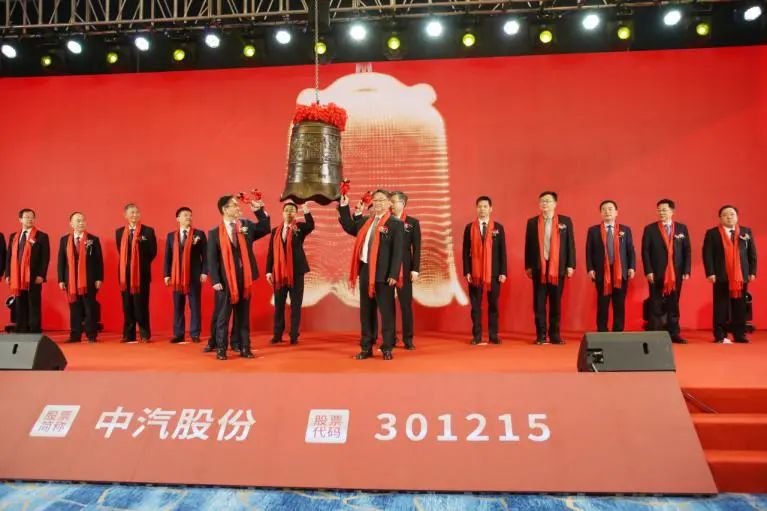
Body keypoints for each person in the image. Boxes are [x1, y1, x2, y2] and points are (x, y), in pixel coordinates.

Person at [339, 189, 404, 360]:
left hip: (384, 274)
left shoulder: (395, 224)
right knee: (366, 312)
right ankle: (366, 347)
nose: (378, 203)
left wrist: (394, 274)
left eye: (382, 200)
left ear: (389, 203)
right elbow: (349, 226)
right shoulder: (365, 222)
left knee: (387, 313)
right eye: (375, 200)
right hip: (366, 271)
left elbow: (398, 252)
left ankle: (387, 347)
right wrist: (344, 206)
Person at [208, 195, 271, 360]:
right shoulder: (214, 233)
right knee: (223, 317)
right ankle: (221, 349)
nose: (238, 207)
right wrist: (215, 280)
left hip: (245, 278)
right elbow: (211, 259)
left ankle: (245, 348)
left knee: (243, 316)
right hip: (225, 280)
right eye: (234, 205)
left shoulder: (246, 225)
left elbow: (265, 228)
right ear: (225, 209)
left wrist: (259, 211)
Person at [524, 192, 575, 344]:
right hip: (539, 268)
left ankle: (555, 335)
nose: (544, 204)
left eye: (547, 201)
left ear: (555, 204)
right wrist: (528, 266)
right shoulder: (532, 222)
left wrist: (571, 265)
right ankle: (541, 335)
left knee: (555, 303)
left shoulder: (565, 221)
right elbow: (528, 246)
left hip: (557, 268)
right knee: (539, 303)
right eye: (542, 201)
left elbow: (570, 244)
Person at [702, 205, 757, 343]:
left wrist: (752, 271)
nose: (729, 217)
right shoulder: (712, 233)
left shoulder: (745, 232)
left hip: (740, 275)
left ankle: (739, 334)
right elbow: (707, 254)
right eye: (725, 215)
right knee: (721, 305)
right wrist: (710, 272)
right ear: (720, 218)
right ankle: (720, 335)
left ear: (737, 217)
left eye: (732, 214)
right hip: (721, 274)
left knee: (740, 305)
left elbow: (752, 253)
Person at [641, 199, 691, 343]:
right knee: (655, 303)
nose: (661, 212)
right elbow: (645, 251)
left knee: (673, 303)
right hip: (656, 271)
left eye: (664, 210)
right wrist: (648, 270)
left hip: (676, 272)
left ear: (672, 211)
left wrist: (686, 269)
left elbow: (687, 250)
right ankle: (656, 333)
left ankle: (674, 333)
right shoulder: (650, 229)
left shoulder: (681, 228)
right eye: (659, 210)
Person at [266, 202, 314, 345]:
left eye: (292, 210)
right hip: (279, 273)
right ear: (282, 213)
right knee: (279, 305)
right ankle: (277, 334)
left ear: (296, 213)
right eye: (286, 210)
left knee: (295, 305)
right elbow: (271, 253)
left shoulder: (299, 228)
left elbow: (311, 225)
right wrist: (268, 271)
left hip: (296, 272)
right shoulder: (275, 231)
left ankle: (294, 335)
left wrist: (306, 209)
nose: (289, 213)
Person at [585, 200, 636, 332]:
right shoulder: (593, 231)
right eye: (604, 209)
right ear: (600, 213)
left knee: (619, 304)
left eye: (610, 209)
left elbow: (630, 250)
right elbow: (589, 251)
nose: (607, 211)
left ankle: (618, 331)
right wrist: (590, 268)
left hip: (621, 272)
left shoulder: (625, 230)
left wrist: (631, 267)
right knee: (603, 303)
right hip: (602, 272)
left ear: (616, 212)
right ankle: (602, 330)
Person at [462, 196, 507, 344]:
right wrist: (467, 271)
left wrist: (503, 272)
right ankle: (477, 336)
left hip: (494, 274)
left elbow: (502, 252)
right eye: (480, 206)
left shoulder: (498, 228)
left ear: (490, 209)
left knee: (493, 305)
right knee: (476, 307)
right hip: (475, 274)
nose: (482, 209)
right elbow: (465, 251)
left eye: (485, 206)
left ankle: (493, 335)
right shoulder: (469, 228)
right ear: (476, 208)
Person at [57, 212, 104, 342]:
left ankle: (91, 335)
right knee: (74, 308)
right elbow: (61, 261)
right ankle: (75, 335)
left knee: (90, 308)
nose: (81, 223)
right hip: (71, 280)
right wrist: (61, 279)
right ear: (71, 224)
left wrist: (99, 278)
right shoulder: (64, 240)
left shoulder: (93, 239)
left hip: (89, 279)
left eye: (83, 220)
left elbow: (98, 260)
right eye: (78, 220)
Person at [163, 207, 207, 343]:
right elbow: (167, 257)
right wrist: (167, 274)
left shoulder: (199, 234)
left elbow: (205, 255)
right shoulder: (171, 236)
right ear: (178, 219)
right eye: (185, 215)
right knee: (178, 306)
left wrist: (204, 272)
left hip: (194, 276)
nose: (188, 217)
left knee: (195, 306)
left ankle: (195, 333)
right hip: (177, 277)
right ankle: (178, 334)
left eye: (190, 215)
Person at [116, 203, 157, 342]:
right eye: (132, 212)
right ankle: (129, 334)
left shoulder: (148, 231)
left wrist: (139, 264)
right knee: (127, 305)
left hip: (141, 274)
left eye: (137, 212)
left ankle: (144, 333)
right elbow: (120, 251)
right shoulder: (119, 232)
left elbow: (153, 252)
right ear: (125, 215)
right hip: (124, 275)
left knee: (141, 304)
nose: (134, 215)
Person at [5, 208, 50, 333]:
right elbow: (9, 257)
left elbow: (45, 258)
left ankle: (34, 329)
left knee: (33, 302)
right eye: (26, 217)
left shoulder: (41, 236)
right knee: (20, 302)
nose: (30, 219)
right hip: (17, 276)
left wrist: (41, 274)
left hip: (34, 276)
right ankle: (22, 328)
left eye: (32, 217)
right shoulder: (14, 236)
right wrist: (8, 274)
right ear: (20, 219)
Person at [390, 191, 421, 350]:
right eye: (390, 201)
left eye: (394, 201)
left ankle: (408, 339)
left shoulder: (412, 223)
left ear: (402, 203)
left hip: (406, 269)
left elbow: (417, 247)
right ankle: (390, 338)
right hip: (387, 269)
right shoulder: (386, 220)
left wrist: (415, 269)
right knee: (388, 307)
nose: (391, 204)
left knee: (405, 306)